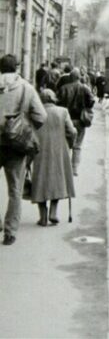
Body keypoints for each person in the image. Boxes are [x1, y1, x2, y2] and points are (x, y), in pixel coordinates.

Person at [0, 54, 47, 245]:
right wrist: (25, 126)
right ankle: (10, 232)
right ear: (17, 68)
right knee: (15, 190)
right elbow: (41, 116)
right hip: (16, 146)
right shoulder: (26, 88)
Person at [30, 89, 76, 226]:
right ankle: (53, 213)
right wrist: (70, 144)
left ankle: (43, 216)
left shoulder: (35, 113)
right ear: (53, 98)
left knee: (40, 181)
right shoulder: (63, 111)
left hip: (39, 151)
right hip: (59, 149)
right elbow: (71, 131)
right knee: (57, 179)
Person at [57, 68, 95, 176]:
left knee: (65, 144)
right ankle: (74, 169)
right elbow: (92, 101)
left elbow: (57, 102)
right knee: (77, 145)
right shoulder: (85, 88)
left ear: (70, 77)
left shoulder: (64, 88)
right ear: (79, 77)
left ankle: (65, 167)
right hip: (80, 120)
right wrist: (85, 107)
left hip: (65, 120)